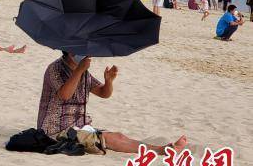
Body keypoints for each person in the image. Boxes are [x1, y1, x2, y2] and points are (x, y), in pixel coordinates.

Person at [37, 52, 186, 155]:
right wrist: (79, 70)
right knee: (113, 139)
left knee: (119, 136)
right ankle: (163, 151)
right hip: (55, 130)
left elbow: (103, 93)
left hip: (78, 125)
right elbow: (65, 95)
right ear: (70, 52)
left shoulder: (83, 72)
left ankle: (159, 149)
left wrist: (109, 81)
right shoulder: (55, 69)